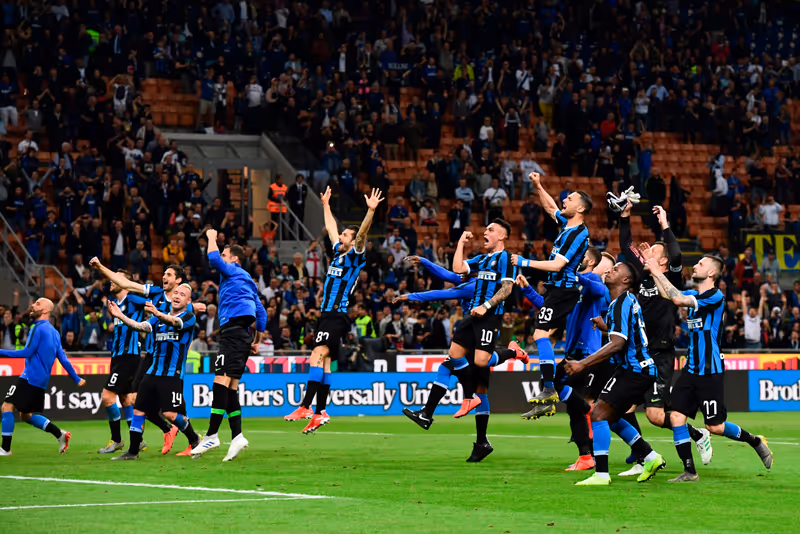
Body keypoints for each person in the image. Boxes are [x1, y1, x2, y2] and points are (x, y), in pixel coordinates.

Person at [646, 255, 774, 481]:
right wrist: (652, 267)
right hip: (690, 369)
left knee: (715, 426)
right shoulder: (694, 294)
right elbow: (667, 294)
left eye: (701, 264)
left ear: (712, 273)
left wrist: (657, 271)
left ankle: (755, 441)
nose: (695, 266)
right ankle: (689, 471)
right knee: (676, 417)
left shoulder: (715, 296)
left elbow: (677, 299)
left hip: (710, 370)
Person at [396, 255, 527, 462]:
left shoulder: (473, 286)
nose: (457, 274)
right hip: (473, 336)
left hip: (476, 336)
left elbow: (444, 293)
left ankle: (428, 414)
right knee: (478, 387)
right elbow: (447, 275)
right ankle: (480, 441)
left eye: (463, 271)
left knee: (455, 369)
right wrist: (425, 262)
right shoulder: (469, 280)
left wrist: (412, 296)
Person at [617, 200, 712, 475]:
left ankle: (697, 434)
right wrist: (625, 215)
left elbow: (677, 253)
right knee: (622, 406)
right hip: (638, 352)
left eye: (654, 251)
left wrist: (664, 224)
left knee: (656, 416)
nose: (647, 252)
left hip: (660, 353)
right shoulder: (641, 276)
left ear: (662, 261)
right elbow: (626, 246)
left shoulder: (670, 278)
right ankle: (642, 459)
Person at [284, 187, 384, 434]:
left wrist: (370, 212)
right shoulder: (338, 254)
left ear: (352, 242)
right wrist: (326, 206)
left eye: (345, 235)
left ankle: (306, 406)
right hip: (327, 315)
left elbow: (361, 235)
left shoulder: (354, 257)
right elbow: (330, 228)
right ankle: (320, 412)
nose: (340, 236)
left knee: (316, 354)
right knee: (326, 363)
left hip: (336, 315)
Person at [564, 263, 666, 486]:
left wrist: (582, 363)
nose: (610, 270)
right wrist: (606, 326)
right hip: (636, 369)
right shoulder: (621, 303)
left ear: (626, 280)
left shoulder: (621, 302)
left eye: (616, 269)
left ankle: (601, 474)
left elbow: (618, 343)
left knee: (598, 414)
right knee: (611, 417)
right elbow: (626, 331)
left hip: (634, 369)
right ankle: (650, 457)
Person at [89, 258, 205, 455]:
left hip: (171, 361)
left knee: (171, 409)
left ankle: (190, 438)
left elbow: (181, 321)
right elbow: (126, 284)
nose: (164, 277)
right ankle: (155, 437)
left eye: (169, 274)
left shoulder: (184, 307)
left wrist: (191, 306)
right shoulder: (156, 293)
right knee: (138, 402)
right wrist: (100, 267)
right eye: (164, 273)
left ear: (179, 280)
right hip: (151, 355)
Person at [520, 249, 616, 473]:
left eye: (580, 256)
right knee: (570, 404)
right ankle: (586, 456)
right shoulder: (573, 288)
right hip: (573, 353)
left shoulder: (592, 281)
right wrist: (527, 289)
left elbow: (600, 290)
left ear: (589, 261)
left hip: (588, 355)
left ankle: (600, 448)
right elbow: (548, 306)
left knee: (563, 392)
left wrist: (575, 275)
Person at [190, 230, 267, 461]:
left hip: (232, 332)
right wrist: (256, 341)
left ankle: (212, 435)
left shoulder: (232, 270)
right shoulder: (248, 282)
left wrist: (211, 237)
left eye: (226, 255)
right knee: (231, 387)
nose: (222, 258)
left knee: (220, 382)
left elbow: (213, 259)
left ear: (234, 259)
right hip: (242, 335)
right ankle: (237, 436)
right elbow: (261, 314)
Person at [516, 172, 591, 407]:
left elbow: (558, 265)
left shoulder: (578, 233)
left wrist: (524, 261)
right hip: (555, 290)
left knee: (540, 335)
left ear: (580, 208)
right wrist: (538, 186)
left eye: (570, 198)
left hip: (563, 291)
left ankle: (548, 389)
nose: (564, 199)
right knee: (544, 336)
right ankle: (552, 391)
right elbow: (550, 208)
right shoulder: (568, 226)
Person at [107, 285, 202, 460]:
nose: (177, 296)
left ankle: (194, 439)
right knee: (138, 411)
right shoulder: (158, 319)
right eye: (176, 293)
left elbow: (175, 323)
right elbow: (140, 326)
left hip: (172, 374)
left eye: (182, 294)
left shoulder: (188, 317)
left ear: (188, 301)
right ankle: (133, 452)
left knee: (170, 414)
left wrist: (157, 313)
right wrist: (121, 316)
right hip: (152, 372)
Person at [439, 219, 517, 421]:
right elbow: (457, 268)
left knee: (481, 361)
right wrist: (460, 243)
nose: (485, 233)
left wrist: (486, 306)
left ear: (502, 236)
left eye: (490, 230)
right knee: (454, 354)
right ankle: (469, 398)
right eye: (485, 229)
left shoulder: (507, 258)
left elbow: (507, 288)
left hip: (490, 316)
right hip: (472, 314)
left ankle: (513, 352)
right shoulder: (481, 259)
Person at [1, 298, 86, 456]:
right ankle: (59, 434)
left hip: (29, 377)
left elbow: (27, 352)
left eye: (37, 304)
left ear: (46, 310)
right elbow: (63, 359)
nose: (32, 305)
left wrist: (1, 352)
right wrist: (76, 378)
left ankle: (5, 449)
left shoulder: (37, 328)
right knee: (26, 415)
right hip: (41, 381)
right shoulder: (55, 332)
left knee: (7, 406)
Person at [97, 270, 149, 454]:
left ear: (126, 282)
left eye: (116, 278)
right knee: (125, 399)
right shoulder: (115, 304)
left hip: (129, 356)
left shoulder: (133, 300)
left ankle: (117, 440)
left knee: (107, 396)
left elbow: (155, 305)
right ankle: (138, 440)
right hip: (118, 356)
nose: (111, 280)